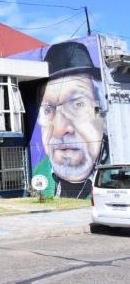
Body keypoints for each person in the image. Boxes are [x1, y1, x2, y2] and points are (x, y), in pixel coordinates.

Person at [36, 41, 107, 199]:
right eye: (48, 109)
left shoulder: (116, 173)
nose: (60, 129)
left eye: (77, 104)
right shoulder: (39, 171)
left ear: (102, 112)